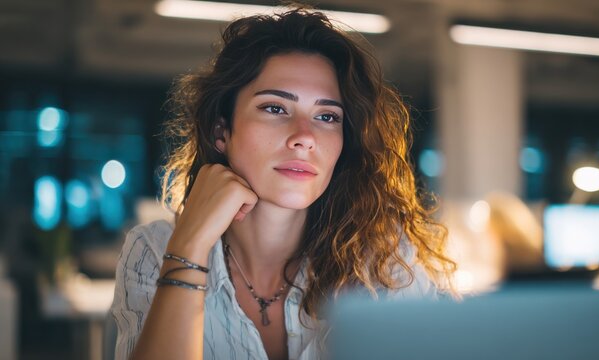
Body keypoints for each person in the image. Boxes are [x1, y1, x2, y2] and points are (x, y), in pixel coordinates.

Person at [110, 7, 456, 360]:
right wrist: (189, 247)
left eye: (326, 116)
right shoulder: (152, 252)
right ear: (221, 131)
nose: (304, 137)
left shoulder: (384, 260)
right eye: (275, 108)